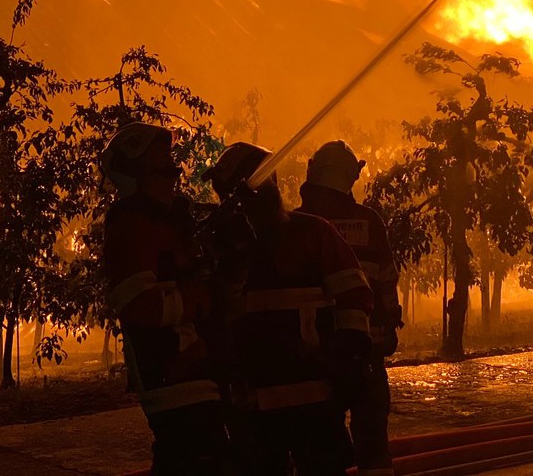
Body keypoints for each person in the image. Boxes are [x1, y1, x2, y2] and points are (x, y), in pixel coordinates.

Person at [206, 141, 373, 476]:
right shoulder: (217, 248)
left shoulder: (313, 233)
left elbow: (355, 296)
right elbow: (212, 312)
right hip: (252, 404)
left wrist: (348, 358)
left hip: (314, 396)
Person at [102, 122, 228, 476]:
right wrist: (198, 302)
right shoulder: (133, 227)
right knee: (193, 461)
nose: (174, 176)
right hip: (173, 376)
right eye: (164, 169)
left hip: (195, 371)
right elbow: (138, 306)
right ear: (135, 176)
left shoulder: (166, 224)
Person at [298, 140, 400, 476]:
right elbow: (386, 283)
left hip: (314, 355)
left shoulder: (297, 225)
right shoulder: (368, 221)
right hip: (365, 352)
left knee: (319, 445)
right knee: (372, 442)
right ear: (346, 178)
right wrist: (387, 327)